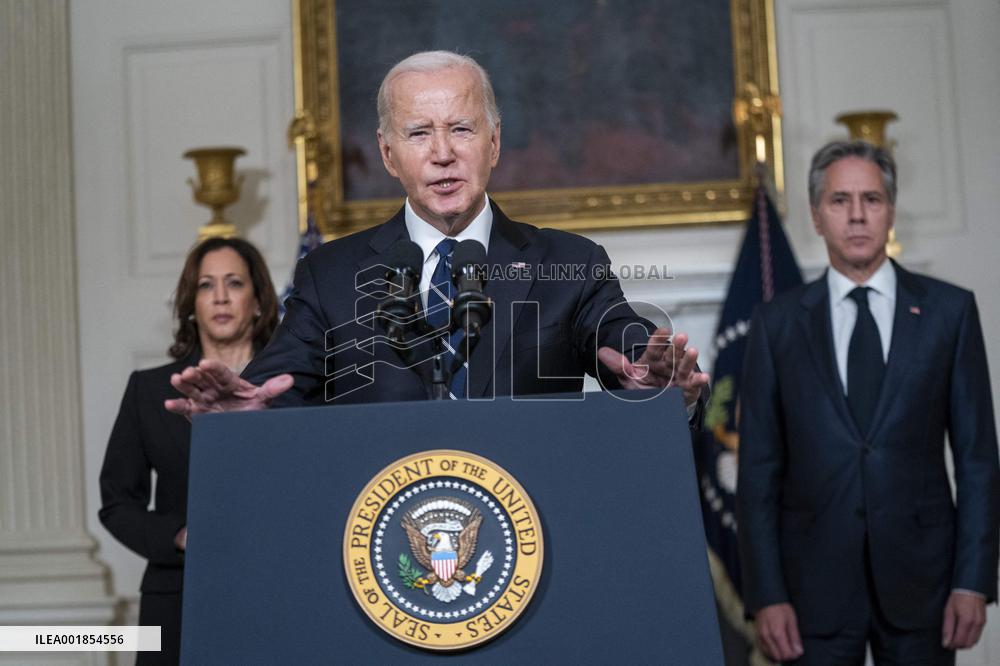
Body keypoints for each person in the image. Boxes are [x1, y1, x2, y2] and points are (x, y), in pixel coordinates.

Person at [164, 50, 709, 415]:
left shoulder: (569, 264)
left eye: (462, 129)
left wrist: (657, 382)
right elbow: (275, 387)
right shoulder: (330, 275)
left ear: (493, 143)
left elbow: (628, 350)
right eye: (419, 132)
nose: (443, 153)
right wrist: (246, 411)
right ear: (387, 154)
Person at [737, 140, 1000, 665]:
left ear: (891, 211)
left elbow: (977, 461)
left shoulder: (950, 313)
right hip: (810, 589)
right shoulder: (776, 324)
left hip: (924, 584)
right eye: (839, 201)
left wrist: (973, 581)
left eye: (871, 200)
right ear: (816, 215)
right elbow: (758, 472)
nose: (857, 216)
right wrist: (766, 594)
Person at [99, 237, 279, 665]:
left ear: (257, 301)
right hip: (177, 597)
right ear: (190, 304)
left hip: (275, 587)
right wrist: (178, 537)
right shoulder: (149, 391)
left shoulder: (290, 385)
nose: (219, 296)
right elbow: (117, 503)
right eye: (205, 285)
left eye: (234, 283)